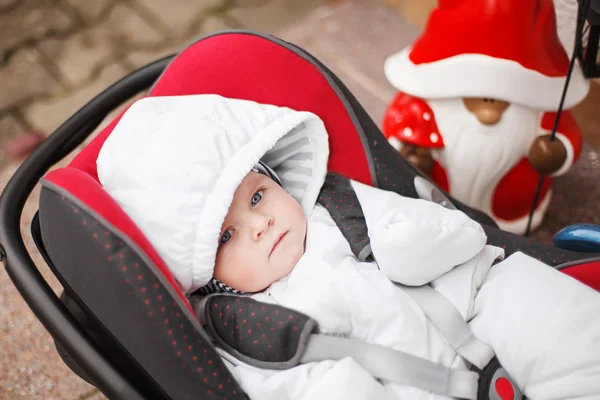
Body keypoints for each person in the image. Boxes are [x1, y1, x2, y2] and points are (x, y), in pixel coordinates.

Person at [97, 94, 600, 400]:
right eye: (226, 235)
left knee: (544, 307)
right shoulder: (241, 327)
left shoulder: (332, 208)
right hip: (398, 386)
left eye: (257, 195)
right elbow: (286, 387)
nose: (261, 223)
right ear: (202, 271)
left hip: (474, 313)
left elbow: (452, 238)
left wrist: (411, 236)